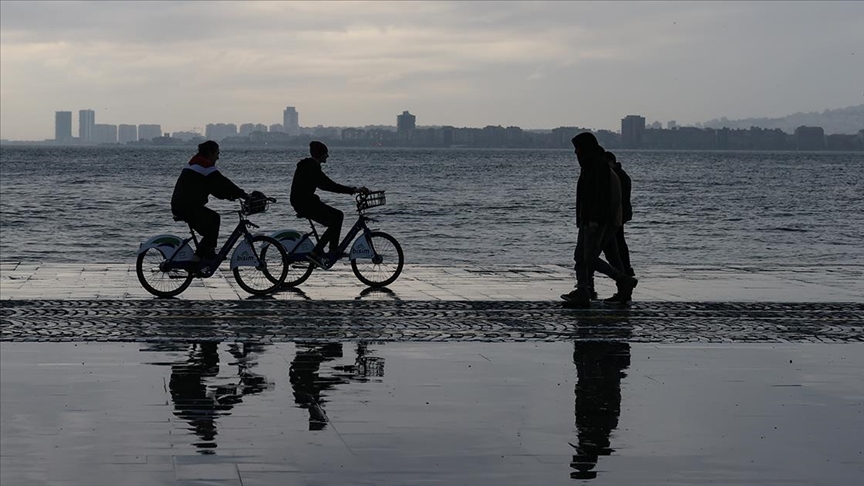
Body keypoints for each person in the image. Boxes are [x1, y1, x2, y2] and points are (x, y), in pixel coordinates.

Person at [562, 133, 637, 308]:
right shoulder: (592, 165)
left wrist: (593, 220)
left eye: (578, 148)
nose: (576, 153)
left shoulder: (597, 167)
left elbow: (599, 197)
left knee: (589, 257)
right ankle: (582, 291)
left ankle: (623, 280)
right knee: (583, 256)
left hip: (595, 221)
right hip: (591, 220)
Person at [290, 141, 368, 268]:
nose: (328, 156)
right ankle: (315, 253)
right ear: (320, 154)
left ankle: (333, 250)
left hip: (307, 201)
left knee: (338, 215)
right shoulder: (311, 167)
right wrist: (353, 190)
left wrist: (351, 189)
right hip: (304, 203)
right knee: (333, 222)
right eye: (326, 153)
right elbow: (328, 185)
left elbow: (326, 184)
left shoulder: (310, 165)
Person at [171, 140, 248, 262]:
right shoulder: (204, 166)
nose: (218, 157)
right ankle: (198, 257)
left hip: (183, 205)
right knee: (213, 220)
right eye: (217, 153)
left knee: (210, 224)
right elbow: (223, 183)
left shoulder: (196, 163)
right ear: (210, 153)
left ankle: (207, 253)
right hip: (186, 206)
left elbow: (215, 188)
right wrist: (244, 195)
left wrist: (231, 196)